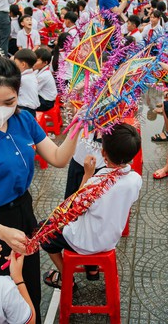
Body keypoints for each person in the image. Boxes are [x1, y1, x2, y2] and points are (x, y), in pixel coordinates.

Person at [0, 55, 81, 323]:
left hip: (24, 209)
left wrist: (78, 126)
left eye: (9, 102)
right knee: (3, 290)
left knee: (28, 279)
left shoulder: (23, 120)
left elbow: (57, 158)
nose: (0, 109)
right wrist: (0, 231)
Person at [41, 123, 142, 287]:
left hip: (86, 241)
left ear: (103, 153)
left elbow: (74, 208)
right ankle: (92, 269)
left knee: (45, 234)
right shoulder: (135, 179)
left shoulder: (95, 183)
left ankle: (67, 280)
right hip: (110, 240)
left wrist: (87, 174)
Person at [14, 48, 40, 116]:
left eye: (15, 63)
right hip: (31, 109)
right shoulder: (32, 75)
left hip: (24, 109)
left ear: (23, 64)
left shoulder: (23, 79)